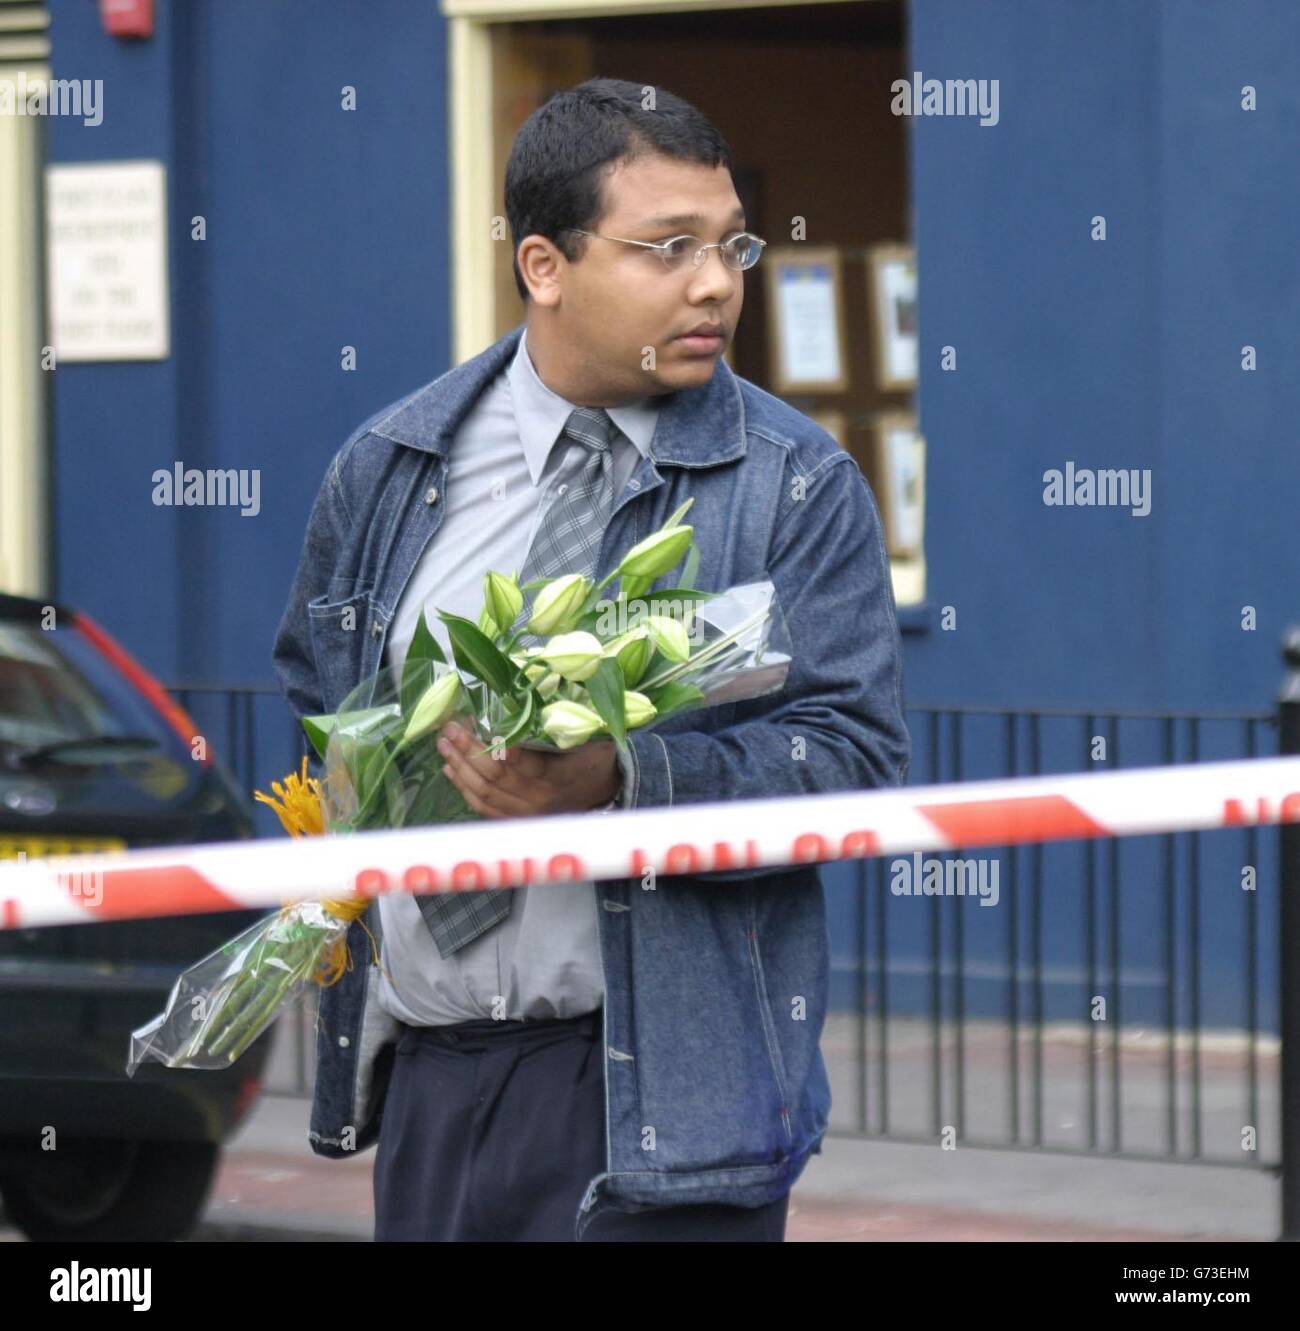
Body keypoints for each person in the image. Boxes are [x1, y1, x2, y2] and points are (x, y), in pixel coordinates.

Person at [272, 76, 910, 1243]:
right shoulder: (385, 467)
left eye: (731, 245)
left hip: (667, 1108)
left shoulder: (795, 485)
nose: (715, 282)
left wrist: (623, 786)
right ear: (544, 265)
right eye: (667, 248)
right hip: (428, 1079)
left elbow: (855, 764)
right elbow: (322, 706)